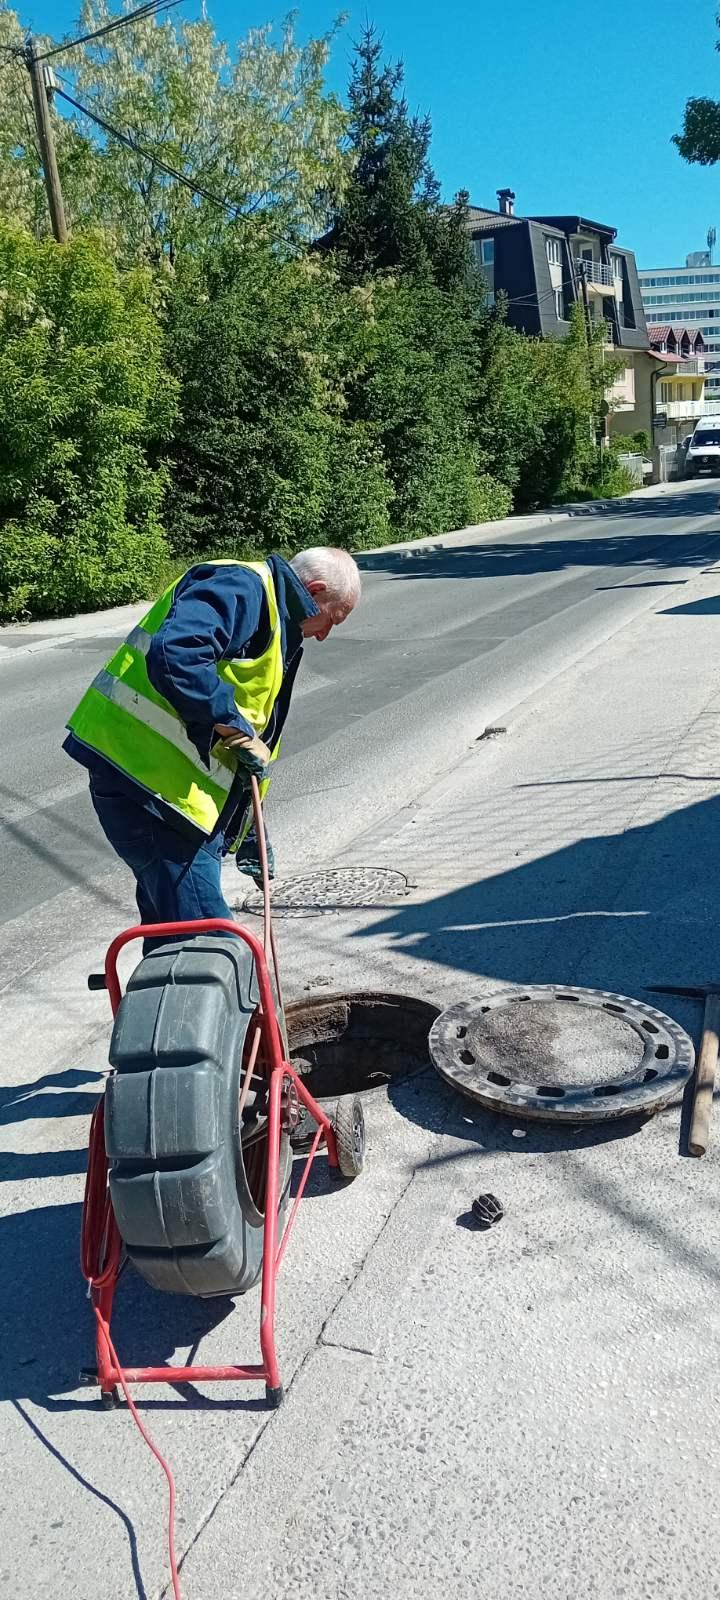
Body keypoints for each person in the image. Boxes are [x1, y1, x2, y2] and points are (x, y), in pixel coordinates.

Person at [64, 547, 361, 944]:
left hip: (167, 795)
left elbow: (247, 752)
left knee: (174, 941)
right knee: (207, 949)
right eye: (331, 618)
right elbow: (177, 653)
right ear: (315, 588)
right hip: (151, 792)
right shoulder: (243, 587)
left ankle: (153, 1005)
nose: (324, 634)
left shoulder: (271, 616)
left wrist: (251, 834)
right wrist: (233, 727)